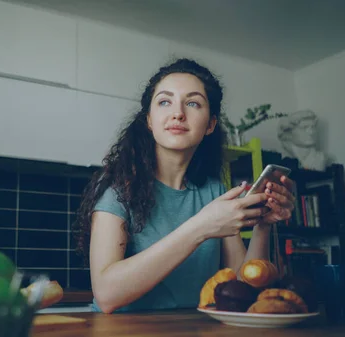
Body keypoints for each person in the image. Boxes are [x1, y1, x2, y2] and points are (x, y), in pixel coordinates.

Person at [73, 58, 296, 314]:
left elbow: (243, 288)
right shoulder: (117, 190)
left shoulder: (214, 192)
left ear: (210, 124)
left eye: (193, 103)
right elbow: (107, 295)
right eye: (165, 102)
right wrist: (201, 226)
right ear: (148, 120)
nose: (178, 113)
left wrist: (263, 226)